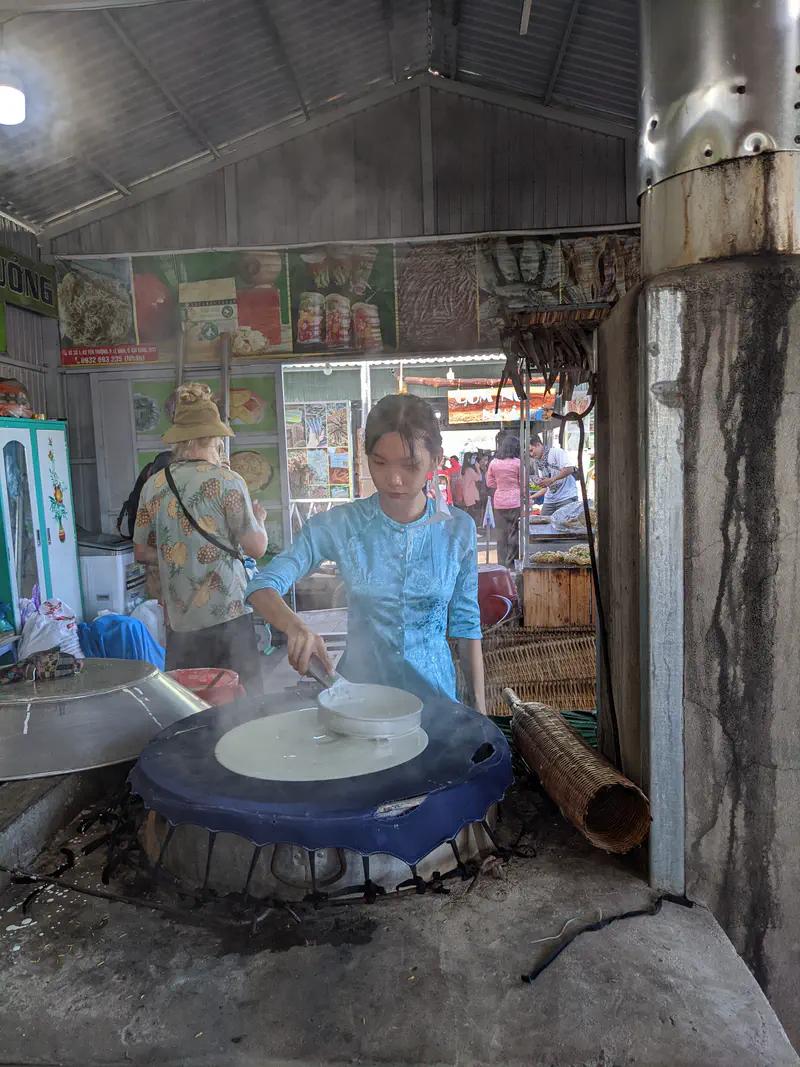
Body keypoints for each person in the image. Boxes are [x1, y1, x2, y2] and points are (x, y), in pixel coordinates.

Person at [246, 394, 486, 712]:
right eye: (380, 463)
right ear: (366, 455)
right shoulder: (344, 524)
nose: (394, 479)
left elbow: (467, 626)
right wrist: (295, 626)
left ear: (436, 459)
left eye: (410, 465)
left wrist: (480, 711)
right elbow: (261, 586)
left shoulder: (458, 529)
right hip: (358, 702)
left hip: (435, 703)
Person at [132, 382, 269, 694]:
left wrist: (177, 551)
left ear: (179, 439)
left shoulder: (153, 485)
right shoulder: (228, 481)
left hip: (181, 623)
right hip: (229, 616)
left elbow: (141, 551)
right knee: (241, 707)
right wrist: (259, 519)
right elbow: (256, 548)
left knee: (190, 710)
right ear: (215, 437)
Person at [485, 435, 521, 570]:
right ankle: (511, 563)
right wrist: (528, 501)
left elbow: (490, 483)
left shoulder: (493, 463)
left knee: (501, 534)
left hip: (499, 501)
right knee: (514, 533)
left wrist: (500, 485)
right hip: (515, 502)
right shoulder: (518, 463)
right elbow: (523, 484)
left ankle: (501, 564)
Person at [530, 434, 579, 517]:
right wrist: (531, 497)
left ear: (538, 445)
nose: (531, 454)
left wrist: (552, 479)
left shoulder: (556, 452)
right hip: (550, 500)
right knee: (542, 524)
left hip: (566, 497)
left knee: (565, 525)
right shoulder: (539, 463)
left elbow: (569, 469)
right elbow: (546, 488)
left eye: (531, 450)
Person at [461, 452, 482, 525]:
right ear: (468, 459)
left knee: (469, 513)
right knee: (472, 515)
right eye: (473, 458)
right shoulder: (470, 470)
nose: (474, 460)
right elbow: (479, 478)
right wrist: (478, 468)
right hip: (472, 495)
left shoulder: (463, 470)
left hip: (466, 494)